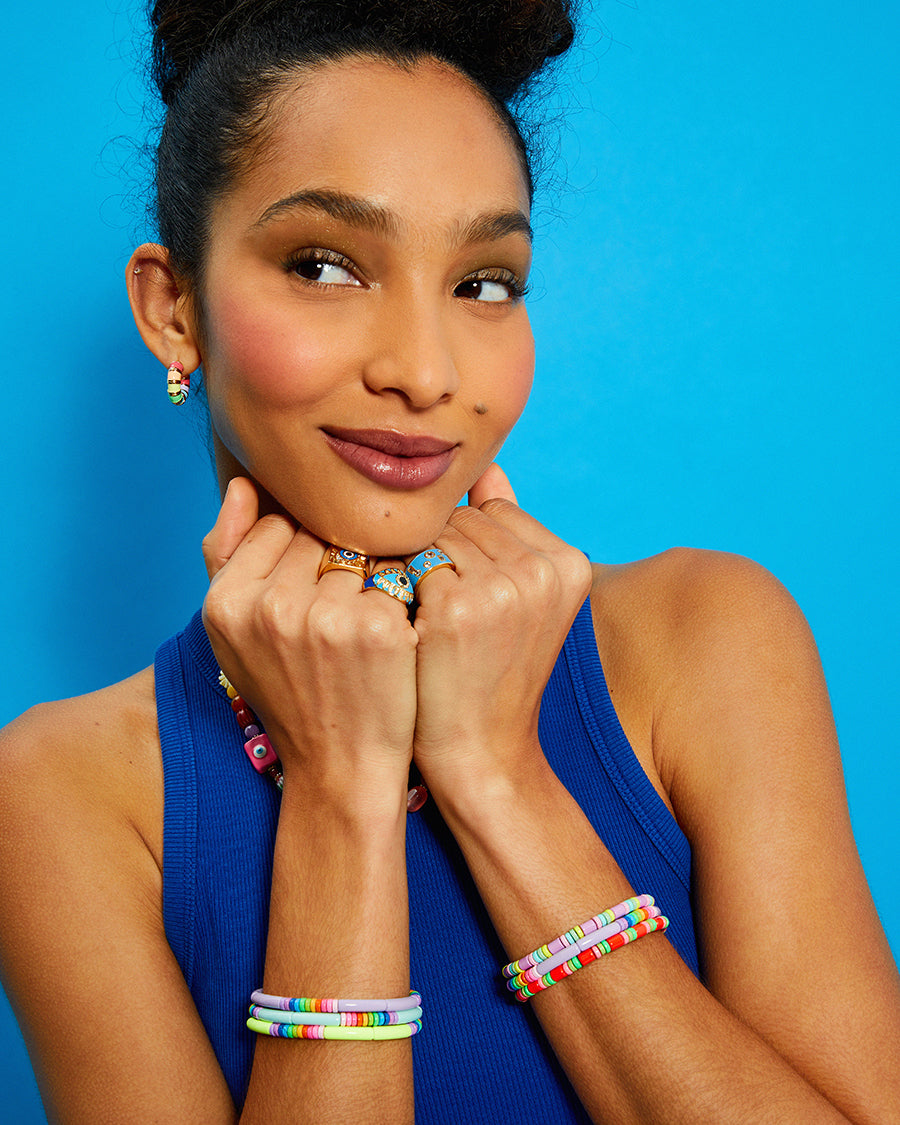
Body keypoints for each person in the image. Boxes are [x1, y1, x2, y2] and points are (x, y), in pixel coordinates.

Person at [1, 1, 898, 1121]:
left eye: (485, 283)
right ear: (174, 311)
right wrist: (341, 791)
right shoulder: (65, 793)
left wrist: (496, 772)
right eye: (326, 265)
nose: (427, 374)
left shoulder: (706, 637)